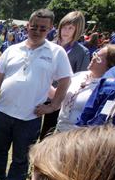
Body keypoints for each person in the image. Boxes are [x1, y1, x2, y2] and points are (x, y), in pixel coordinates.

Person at [0, 8, 72, 180]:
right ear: (28, 26)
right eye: (33, 26)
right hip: (3, 111)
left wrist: (54, 105)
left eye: (42, 28)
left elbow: (66, 80)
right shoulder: (12, 49)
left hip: (30, 117)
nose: (37, 30)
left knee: (21, 157)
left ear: (50, 29)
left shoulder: (56, 53)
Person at [56, 45, 115, 132]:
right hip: (59, 130)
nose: (93, 58)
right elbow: (58, 96)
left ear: (111, 66)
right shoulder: (79, 75)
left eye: (98, 59)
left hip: (80, 137)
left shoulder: (108, 89)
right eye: (95, 54)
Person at [39, 11, 91, 139]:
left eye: (71, 28)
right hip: (38, 92)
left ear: (77, 30)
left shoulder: (81, 52)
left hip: (60, 99)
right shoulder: (47, 45)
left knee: (48, 135)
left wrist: (55, 92)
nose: (65, 31)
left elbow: (80, 78)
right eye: (64, 26)